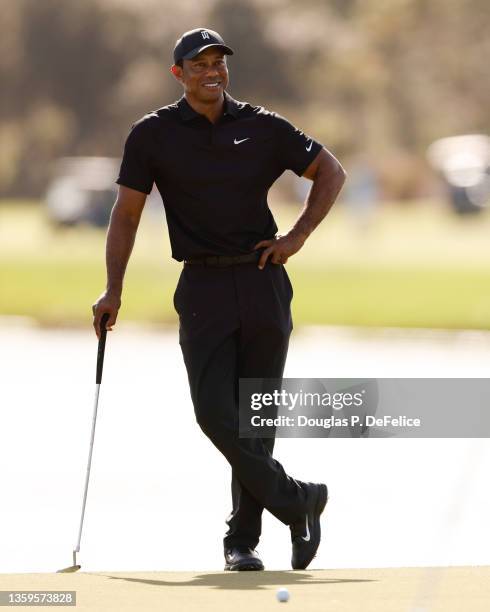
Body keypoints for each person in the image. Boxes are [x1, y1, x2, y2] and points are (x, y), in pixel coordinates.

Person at [92, 27, 346, 571]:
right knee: (214, 413)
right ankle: (300, 501)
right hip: (203, 287)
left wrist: (295, 238)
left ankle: (242, 542)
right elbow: (127, 214)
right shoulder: (152, 134)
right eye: (199, 64)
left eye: (219, 63)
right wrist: (114, 288)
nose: (212, 72)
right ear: (178, 73)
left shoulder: (262, 126)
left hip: (262, 280)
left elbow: (330, 170)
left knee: (256, 418)